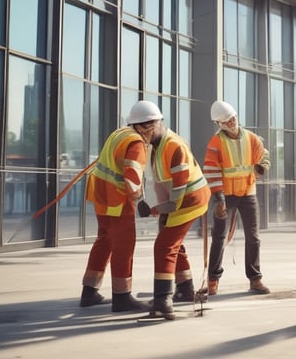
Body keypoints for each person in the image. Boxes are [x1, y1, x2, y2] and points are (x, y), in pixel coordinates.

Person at [79, 100, 161, 312]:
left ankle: (89, 291)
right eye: (157, 124)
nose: (158, 129)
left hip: (101, 197)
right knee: (124, 246)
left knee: (104, 241)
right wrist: (140, 201)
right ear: (146, 125)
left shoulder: (119, 134)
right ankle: (122, 297)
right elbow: (132, 176)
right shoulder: (135, 143)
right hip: (117, 200)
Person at [140, 107, 211, 320]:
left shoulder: (173, 146)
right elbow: (162, 183)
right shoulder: (157, 146)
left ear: (155, 124)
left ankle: (163, 299)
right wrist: (160, 210)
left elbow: (178, 191)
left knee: (164, 245)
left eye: (144, 130)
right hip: (181, 201)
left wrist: (161, 209)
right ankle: (185, 289)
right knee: (174, 244)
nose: (142, 135)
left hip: (189, 201)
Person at [203, 100, 271, 295]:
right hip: (226, 195)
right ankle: (213, 280)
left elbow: (264, 156)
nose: (231, 123)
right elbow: (211, 170)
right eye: (227, 121)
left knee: (254, 237)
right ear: (219, 124)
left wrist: (262, 167)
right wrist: (218, 198)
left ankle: (255, 279)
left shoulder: (251, 138)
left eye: (232, 118)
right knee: (219, 237)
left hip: (248, 192)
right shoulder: (215, 143)